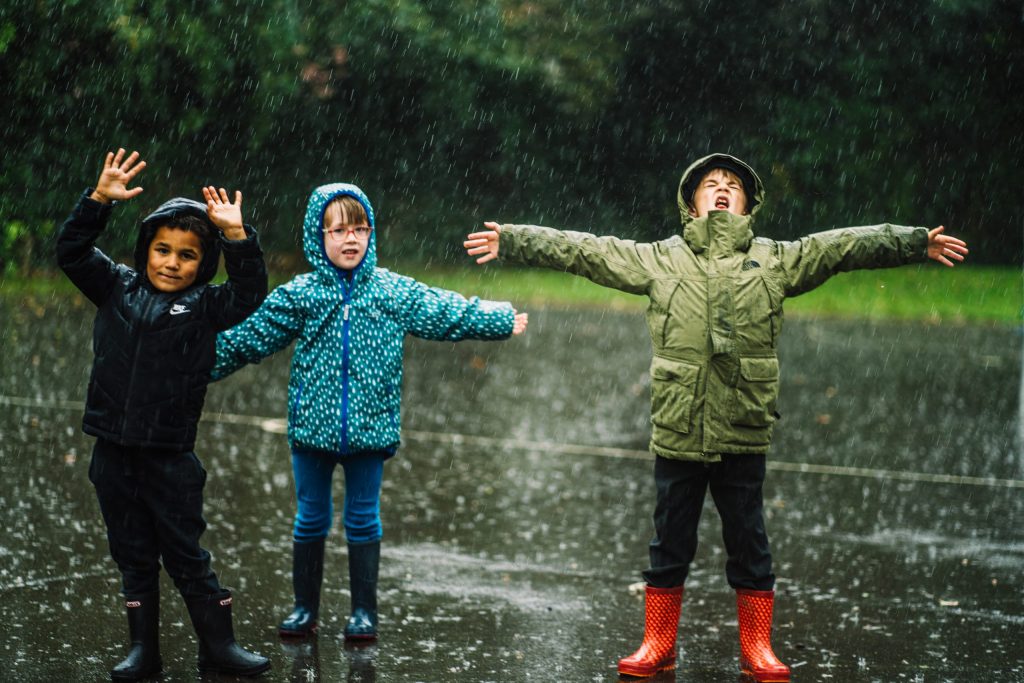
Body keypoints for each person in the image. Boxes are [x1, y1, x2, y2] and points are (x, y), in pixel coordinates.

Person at [463, 153, 968, 682]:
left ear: (749, 202)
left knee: (749, 540)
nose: (723, 190)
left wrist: (913, 241)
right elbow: (586, 250)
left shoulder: (776, 259)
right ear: (691, 202)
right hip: (679, 426)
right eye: (711, 183)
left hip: (743, 426)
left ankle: (758, 646)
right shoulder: (661, 258)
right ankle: (657, 641)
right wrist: (515, 239)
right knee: (669, 539)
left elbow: (841, 246)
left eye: (733, 185)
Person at [211, 182, 528, 643]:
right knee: (310, 518)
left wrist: (496, 318)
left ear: (371, 234)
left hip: (370, 430)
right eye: (337, 230)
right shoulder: (302, 294)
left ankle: (364, 612)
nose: (350, 238)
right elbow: (250, 336)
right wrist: (191, 365)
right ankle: (305, 609)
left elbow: (442, 309)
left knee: (363, 518)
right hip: (312, 430)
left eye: (359, 228)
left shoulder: (389, 291)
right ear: (317, 237)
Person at [56, 148, 272, 681]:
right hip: (112, 450)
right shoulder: (116, 288)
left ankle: (219, 647)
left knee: (185, 553)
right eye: (162, 250)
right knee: (132, 554)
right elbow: (72, 250)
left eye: (187, 255)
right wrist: (98, 200)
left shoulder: (204, 307)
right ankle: (142, 652)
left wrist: (237, 238)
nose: (172, 262)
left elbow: (250, 292)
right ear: (145, 250)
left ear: (203, 264)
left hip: (170, 456)